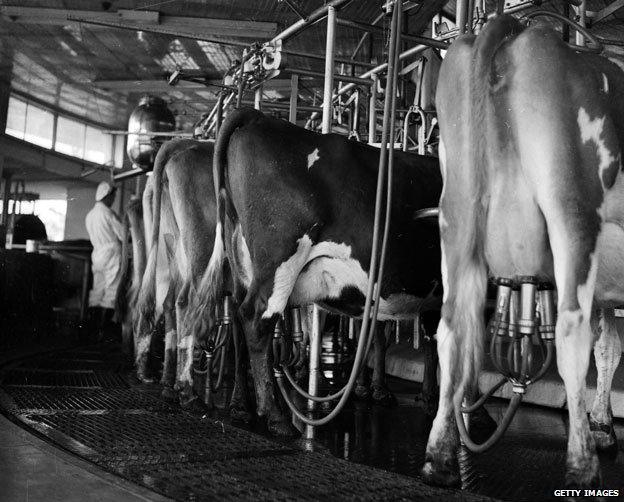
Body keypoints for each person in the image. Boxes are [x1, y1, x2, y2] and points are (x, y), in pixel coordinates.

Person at [85, 181, 124, 342]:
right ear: (106, 195)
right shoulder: (108, 214)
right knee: (111, 291)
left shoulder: (90, 215)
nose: (113, 199)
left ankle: (92, 330)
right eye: (113, 196)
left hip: (97, 254)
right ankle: (107, 331)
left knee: (97, 291)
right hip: (112, 254)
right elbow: (123, 234)